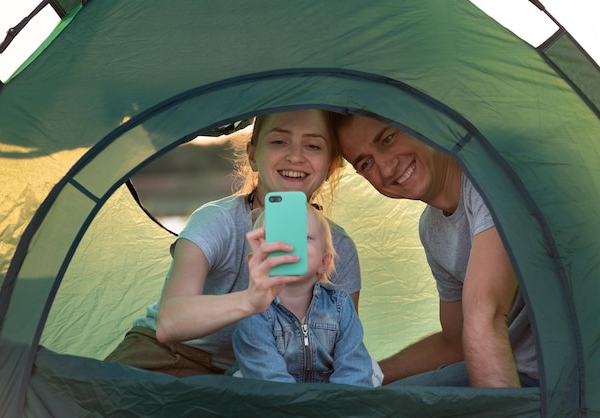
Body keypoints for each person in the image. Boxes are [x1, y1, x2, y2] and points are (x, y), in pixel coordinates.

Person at [105, 109, 362, 377]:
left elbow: (343, 349)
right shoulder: (217, 220)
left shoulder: (337, 247)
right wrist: (251, 300)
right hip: (169, 353)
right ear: (252, 155)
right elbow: (170, 322)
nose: (295, 156)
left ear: (330, 166)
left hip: (259, 372)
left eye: (313, 145)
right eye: (279, 141)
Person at [333, 112, 538, 388]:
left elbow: (484, 317)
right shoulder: (431, 229)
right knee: (371, 405)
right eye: (366, 163)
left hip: (565, 383)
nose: (386, 168)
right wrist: (367, 375)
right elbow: (455, 343)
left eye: (388, 139)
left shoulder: (490, 181)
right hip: (511, 371)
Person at [232, 205, 378, 387]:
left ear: (324, 262)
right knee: (241, 383)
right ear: (256, 261)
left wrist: (339, 404)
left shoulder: (339, 305)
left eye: (305, 237)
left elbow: (353, 369)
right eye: (279, 239)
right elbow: (269, 379)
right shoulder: (255, 311)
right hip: (272, 397)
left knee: (370, 370)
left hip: (330, 397)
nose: (292, 246)